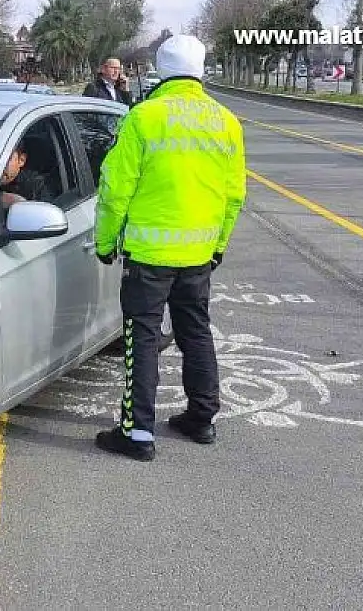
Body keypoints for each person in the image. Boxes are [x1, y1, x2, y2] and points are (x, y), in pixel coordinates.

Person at [92, 34, 247, 462]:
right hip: (198, 254)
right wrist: (218, 245)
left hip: (148, 256)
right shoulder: (226, 121)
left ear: (160, 69)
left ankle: (138, 432)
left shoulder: (144, 117)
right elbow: (234, 194)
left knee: (140, 338)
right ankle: (201, 418)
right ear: (200, 68)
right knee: (195, 331)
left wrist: (105, 242)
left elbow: (114, 189)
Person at [0, 139, 51, 208]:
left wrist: (20, 204)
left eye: (6, 158)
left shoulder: (37, 185)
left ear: (21, 160)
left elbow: (45, 214)